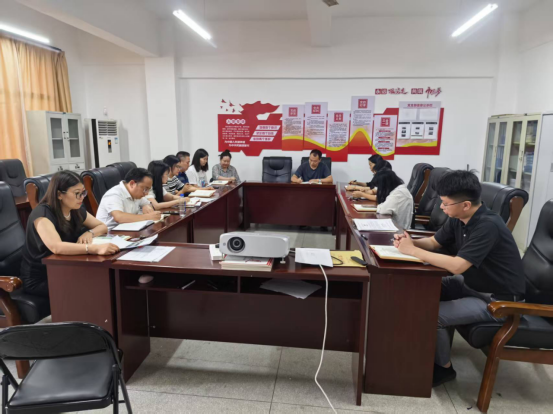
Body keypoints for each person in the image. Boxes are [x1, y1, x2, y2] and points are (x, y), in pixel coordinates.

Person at [393, 170, 525, 387]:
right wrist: (410, 241)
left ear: (465, 205)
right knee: (419, 287)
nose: (442, 207)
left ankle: (443, 369)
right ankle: (412, 348)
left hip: (497, 301)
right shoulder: (460, 218)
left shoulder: (487, 226)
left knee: (433, 315)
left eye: (445, 204)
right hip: (473, 285)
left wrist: (413, 251)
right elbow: (434, 242)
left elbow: (457, 266)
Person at [20, 171, 120, 298]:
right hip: (42, 277)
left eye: (83, 192)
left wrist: (89, 233)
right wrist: (94, 248)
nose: (82, 197)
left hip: (65, 266)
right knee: (94, 284)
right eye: (77, 193)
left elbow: (102, 226)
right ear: (59, 194)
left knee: (106, 278)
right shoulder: (42, 215)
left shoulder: (74, 209)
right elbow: (57, 247)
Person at [96, 168, 162, 230]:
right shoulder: (114, 194)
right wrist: (147, 217)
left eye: (148, 190)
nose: (146, 193)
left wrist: (146, 206)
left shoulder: (136, 193)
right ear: (132, 184)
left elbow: (147, 203)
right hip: (109, 233)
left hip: (128, 229)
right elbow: (119, 217)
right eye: (145, 189)